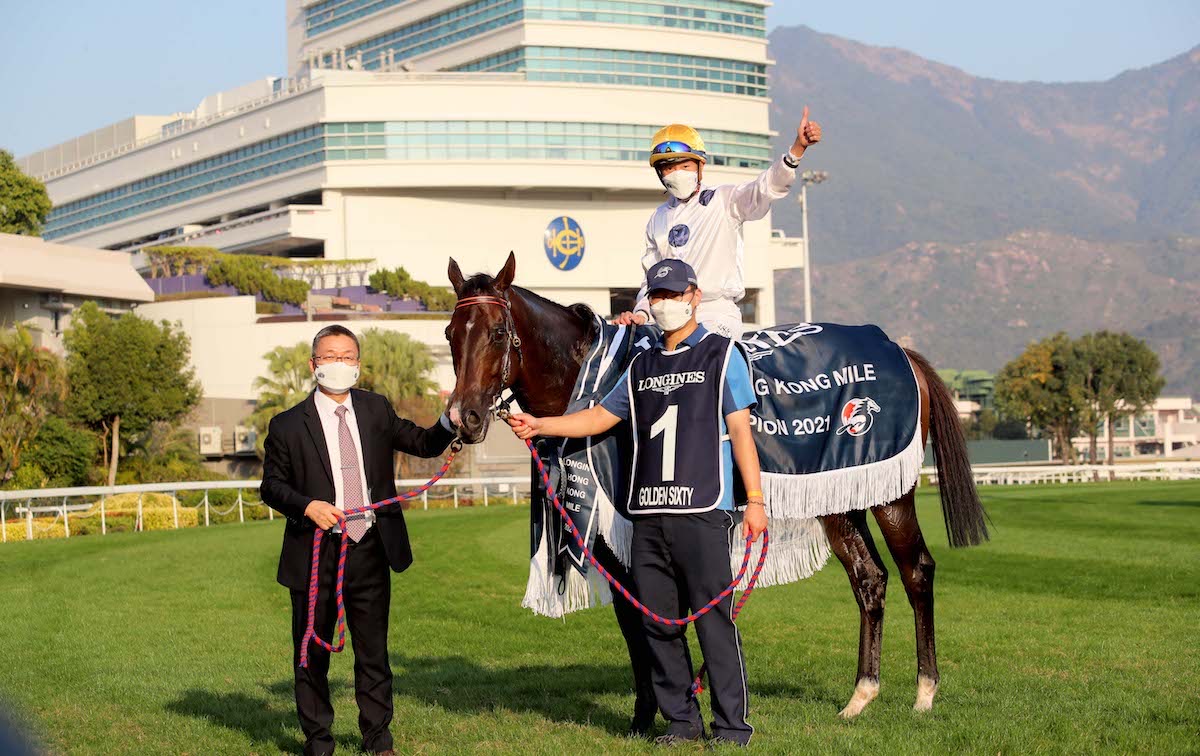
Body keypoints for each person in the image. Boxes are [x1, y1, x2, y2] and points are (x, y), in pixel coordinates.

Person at [508, 259, 768, 747]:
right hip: (648, 515)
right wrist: (542, 425)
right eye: (658, 294)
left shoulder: (723, 354)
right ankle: (681, 721)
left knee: (714, 621)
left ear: (693, 295)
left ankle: (732, 726)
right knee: (658, 624)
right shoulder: (642, 364)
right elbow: (599, 417)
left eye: (673, 294)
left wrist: (754, 500)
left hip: (703, 511)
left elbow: (740, 432)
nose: (665, 303)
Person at [261, 325, 458, 756]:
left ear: (358, 364)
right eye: (330, 355)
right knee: (313, 654)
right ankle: (318, 741)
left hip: (371, 545)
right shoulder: (288, 425)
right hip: (316, 551)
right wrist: (307, 505)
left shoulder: (375, 409)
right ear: (314, 365)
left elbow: (423, 443)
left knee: (373, 652)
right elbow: (271, 486)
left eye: (348, 355)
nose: (339, 363)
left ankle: (378, 739)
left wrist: (451, 420)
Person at [614, 109, 823, 338]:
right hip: (669, 321)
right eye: (668, 168)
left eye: (684, 166)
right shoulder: (657, 219)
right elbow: (652, 280)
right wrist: (641, 315)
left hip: (715, 315)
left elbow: (764, 188)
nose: (676, 173)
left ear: (700, 166)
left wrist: (796, 152)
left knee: (701, 361)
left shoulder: (724, 200)